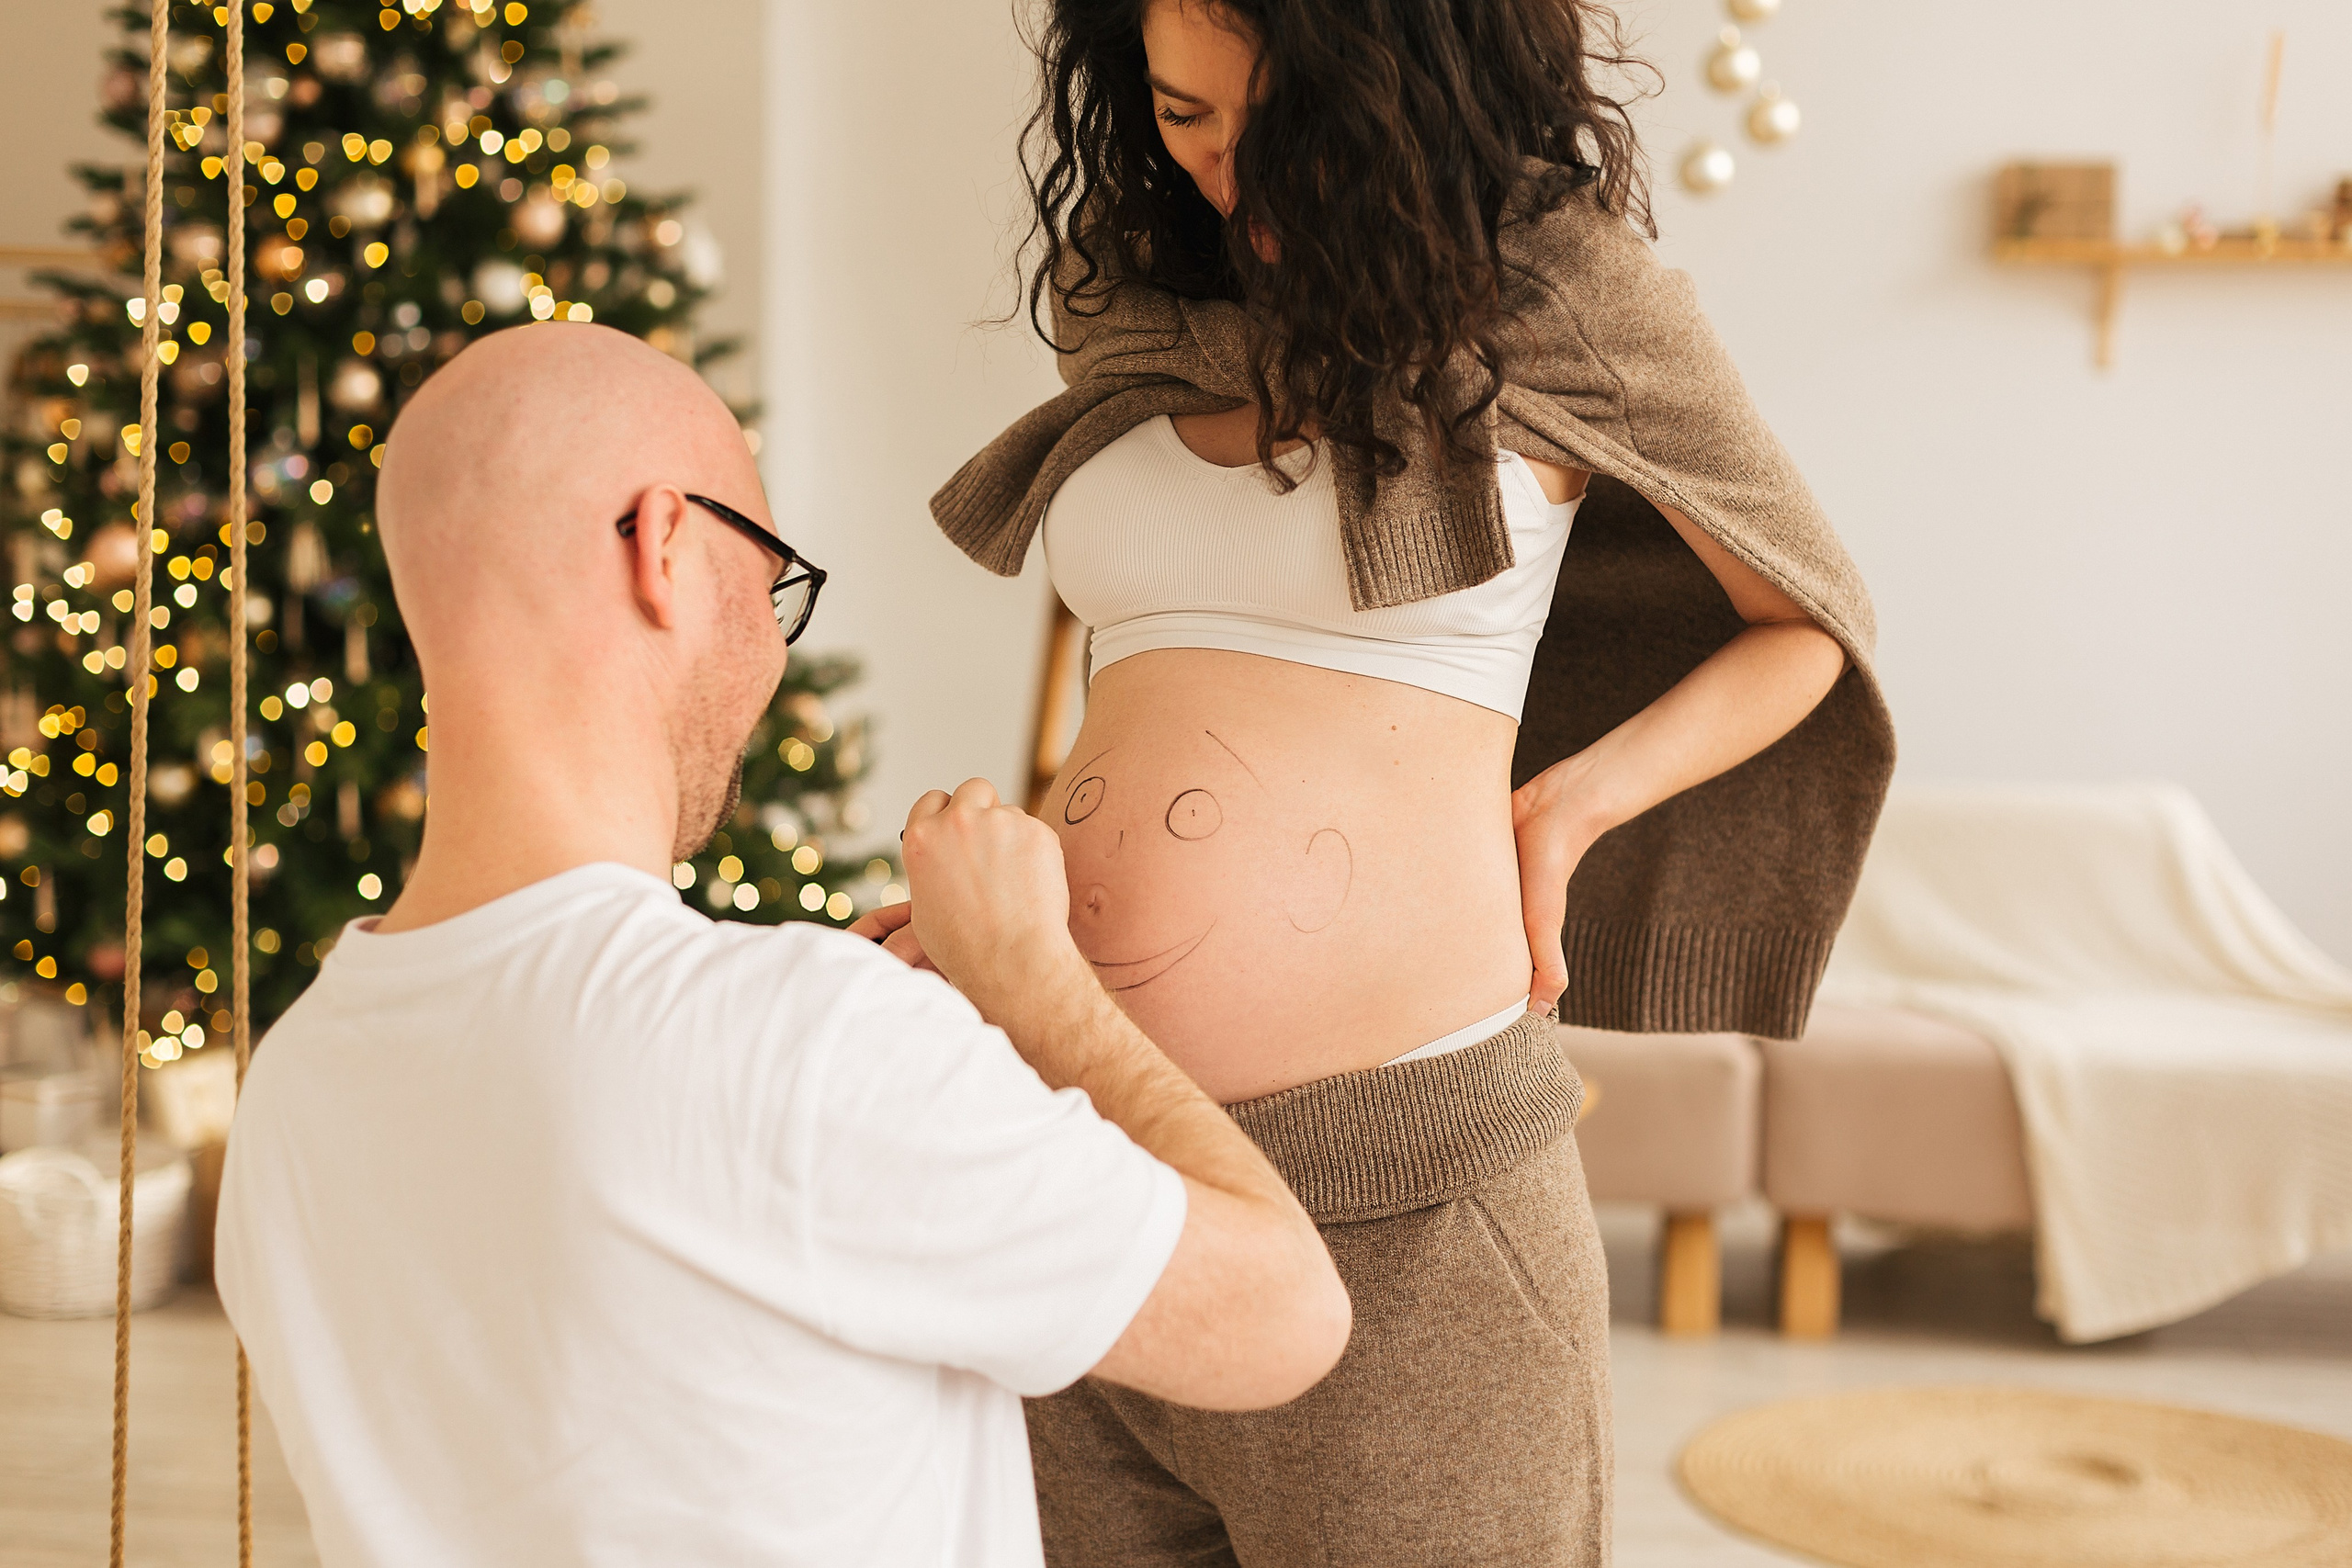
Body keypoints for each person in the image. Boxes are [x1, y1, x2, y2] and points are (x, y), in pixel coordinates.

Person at [930, 1, 1898, 1562]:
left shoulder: (1558, 289)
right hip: (1084, 1175)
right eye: (1184, 116)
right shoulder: (1127, 280)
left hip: (1412, 1202)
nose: (1228, 177)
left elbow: (1809, 621)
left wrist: (1565, 807)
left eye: (1280, 128)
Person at [213, 322, 1351, 1568]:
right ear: (664, 547)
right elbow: (1284, 1317)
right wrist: (1037, 988)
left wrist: (852, 1058)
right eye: (769, 580)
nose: (768, 642)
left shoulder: (293, 1085)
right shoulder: (796, 1046)